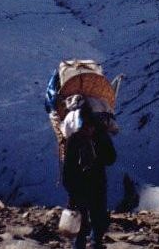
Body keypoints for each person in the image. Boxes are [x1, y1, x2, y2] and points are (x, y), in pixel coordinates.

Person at [61, 97, 117, 249]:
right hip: (91, 187)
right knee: (92, 223)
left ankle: (88, 244)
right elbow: (111, 158)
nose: (88, 128)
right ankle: (92, 244)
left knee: (86, 224)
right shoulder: (95, 136)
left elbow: (67, 170)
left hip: (85, 188)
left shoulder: (75, 140)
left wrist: (71, 192)